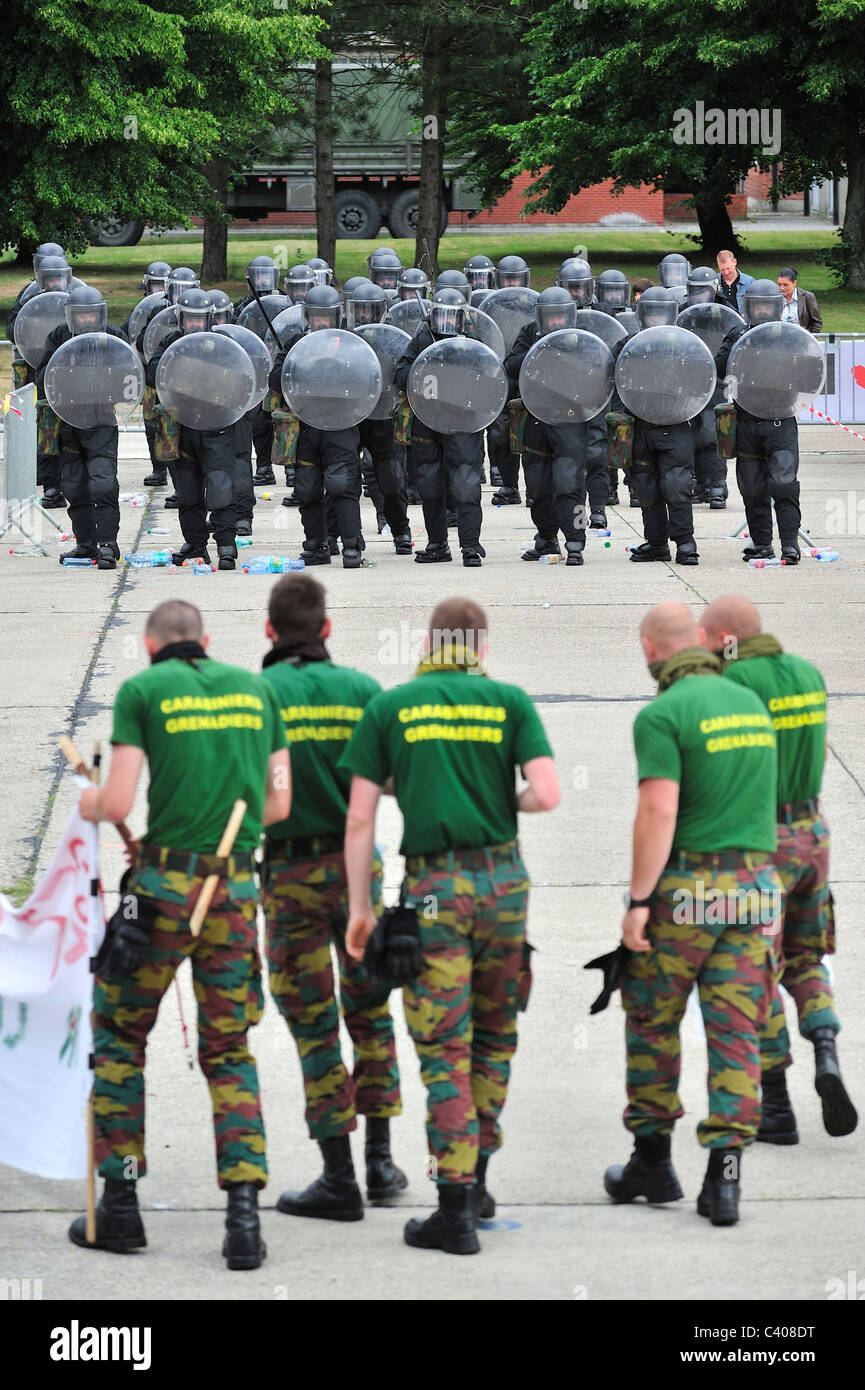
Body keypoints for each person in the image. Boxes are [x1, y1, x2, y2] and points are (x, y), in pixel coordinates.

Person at [70, 599, 289, 1270]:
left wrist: (90, 800)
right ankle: (244, 1219)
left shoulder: (143, 690)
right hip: (234, 890)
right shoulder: (257, 690)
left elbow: (116, 802)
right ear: (206, 640)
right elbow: (277, 804)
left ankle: (121, 1205)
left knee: (118, 1035)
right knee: (228, 1048)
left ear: (148, 645)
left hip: (161, 890)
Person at [341, 596, 559, 1254]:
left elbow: (359, 818)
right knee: (495, 1036)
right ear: (481, 647)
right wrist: (501, 797)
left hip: (435, 889)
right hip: (503, 886)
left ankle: (453, 1205)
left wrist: (360, 908)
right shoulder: (510, 702)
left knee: (444, 1049)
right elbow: (546, 793)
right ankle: (480, 1176)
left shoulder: (391, 707)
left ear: (429, 643)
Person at [605, 601, 781, 1227]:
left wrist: (638, 902)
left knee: (652, 1021)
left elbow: (658, 812)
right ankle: (724, 1182)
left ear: (652, 650)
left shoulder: (663, 713)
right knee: (736, 1033)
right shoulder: (751, 704)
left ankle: (652, 1163)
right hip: (755, 889)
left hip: (689, 892)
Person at [259, 574, 407, 1220]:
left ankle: (337, 1174)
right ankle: (380, 1159)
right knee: (369, 1007)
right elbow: (394, 781)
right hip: (357, 873)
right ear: (325, 629)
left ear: (269, 631)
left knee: (312, 1020)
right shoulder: (363, 692)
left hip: (289, 875)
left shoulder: (258, 694)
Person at [702, 596, 857, 1144]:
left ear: (724, 638)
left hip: (761, 841)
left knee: (755, 967)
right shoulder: (808, 675)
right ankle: (826, 1051)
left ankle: (776, 1104)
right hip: (812, 834)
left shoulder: (734, 687)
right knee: (806, 955)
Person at [268, 285, 365, 569]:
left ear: (336, 316)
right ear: (308, 316)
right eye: (317, 316)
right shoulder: (297, 343)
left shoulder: (351, 343)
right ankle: (316, 545)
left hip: (341, 424)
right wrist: (295, 370)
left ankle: (350, 545)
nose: (322, 322)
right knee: (307, 489)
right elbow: (276, 379)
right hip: (307, 425)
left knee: (342, 485)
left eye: (327, 317)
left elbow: (366, 379)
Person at [34, 286, 129, 570]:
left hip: (101, 421)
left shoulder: (114, 337)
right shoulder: (59, 336)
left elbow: (130, 378)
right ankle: (86, 543)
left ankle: (108, 545)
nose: (87, 320)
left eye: (92, 314)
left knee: (103, 483)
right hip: (68, 421)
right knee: (74, 486)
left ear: (100, 313)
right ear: (71, 316)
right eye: (81, 315)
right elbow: (42, 377)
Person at [146, 289, 240, 570]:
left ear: (209, 319)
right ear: (180, 319)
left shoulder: (223, 342)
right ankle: (196, 542)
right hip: (182, 426)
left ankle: (226, 545)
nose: (195, 325)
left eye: (200, 319)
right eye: (190, 319)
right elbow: (152, 372)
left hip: (217, 426)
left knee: (221, 488)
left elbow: (241, 375)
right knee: (187, 492)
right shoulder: (170, 342)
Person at [393, 291, 487, 567]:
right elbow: (400, 373)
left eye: (451, 316)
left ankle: (470, 545)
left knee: (466, 484)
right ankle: (437, 543)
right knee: (430, 484)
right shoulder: (423, 340)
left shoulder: (472, 343)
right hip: (429, 420)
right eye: (440, 315)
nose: (445, 322)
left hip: (463, 421)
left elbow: (488, 376)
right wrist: (426, 366)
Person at [715, 279, 803, 564]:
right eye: (758, 305)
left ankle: (790, 544)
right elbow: (718, 368)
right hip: (747, 420)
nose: (763, 310)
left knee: (784, 484)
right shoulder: (738, 334)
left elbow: (810, 373)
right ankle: (762, 543)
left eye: (768, 305)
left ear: (776, 306)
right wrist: (739, 346)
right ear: (749, 307)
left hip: (780, 420)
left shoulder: (791, 336)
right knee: (752, 488)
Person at [506, 287, 590, 565]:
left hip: (570, 419)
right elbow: (511, 365)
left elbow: (595, 370)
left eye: (559, 317)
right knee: (538, 486)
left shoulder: (582, 336)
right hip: (537, 418)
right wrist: (538, 349)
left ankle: (575, 542)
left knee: (570, 484)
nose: (555, 322)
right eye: (549, 317)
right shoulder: (531, 332)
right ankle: (546, 539)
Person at [625, 288, 699, 566]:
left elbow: (701, 379)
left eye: (661, 314)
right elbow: (613, 380)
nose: (656, 320)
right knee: (646, 487)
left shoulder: (686, 346)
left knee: (677, 484)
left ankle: (685, 543)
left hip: (675, 423)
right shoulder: (628, 345)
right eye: (651, 314)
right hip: (641, 426)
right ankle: (656, 543)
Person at [344, 281, 413, 554]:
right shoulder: (342, 337)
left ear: (381, 311)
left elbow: (405, 371)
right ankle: (346, 535)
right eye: (359, 310)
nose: (364, 315)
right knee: (344, 478)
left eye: (370, 310)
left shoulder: (394, 339)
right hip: (350, 416)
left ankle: (400, 530)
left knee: (392, 478)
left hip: (384, 415)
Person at [777, 267, 823, 333]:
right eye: (779, 284)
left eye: (785, 285)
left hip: (803, 339)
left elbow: (817, 322)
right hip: (780, 339)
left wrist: (809, 337)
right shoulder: (775, 297)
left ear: (794, 283)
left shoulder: (807, 296)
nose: (781, 288)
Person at [716, 250, 754, 315]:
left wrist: (746, 315)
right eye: (722, 270)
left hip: (742, 323)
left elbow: (757, 306)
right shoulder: (714, 282)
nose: (726, 273)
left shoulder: (750, 282)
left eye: (728, 268)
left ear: (734, 262)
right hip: (720, 323)